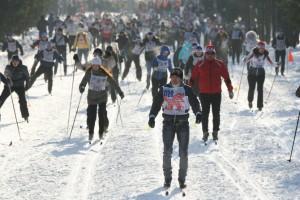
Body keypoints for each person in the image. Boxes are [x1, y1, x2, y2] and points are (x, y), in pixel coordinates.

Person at [148, 67, 202, 190]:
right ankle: (167, 178)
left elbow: (194, 102)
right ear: (170, 77)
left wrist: (198, 113)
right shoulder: (164, 89)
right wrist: (152, 116)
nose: (175, 78)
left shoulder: (187, 89)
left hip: (183, 123)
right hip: (168, 123)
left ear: (181, 78)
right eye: (173, 76)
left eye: (177, 76)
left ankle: (182, 179)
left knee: (183, 152)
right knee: (167, 151)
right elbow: (156, 103)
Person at [189, 45, 234, 142]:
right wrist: (188, 89)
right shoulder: (200, 64)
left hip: (216, 93)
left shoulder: (220, 64)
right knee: (205, 113)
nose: (210, 55)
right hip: (204, 93)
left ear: (215, 54)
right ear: (205, 54)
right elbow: (193, 78)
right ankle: (205, 132)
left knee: (216, 113)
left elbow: (226, 78)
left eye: (212, 54)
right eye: (208, 54)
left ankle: (215, 132)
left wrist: (230, 90)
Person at [79, 57, 124, 142]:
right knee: (92, 116)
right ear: (92, 65)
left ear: (99, 65)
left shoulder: (103, 72)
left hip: (102, 96)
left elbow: (113, 82)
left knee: (101, 114)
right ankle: (91, 133)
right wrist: (81, 87)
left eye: (97, 65)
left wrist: (120, 92)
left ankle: (101, 132)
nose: (95, 67)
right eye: (94, 65)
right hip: (92, 97)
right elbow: (83, 82)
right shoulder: (89, 72)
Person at [243, 41, 279, 111]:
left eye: (263, 48)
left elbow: (271, 63)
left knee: (260, 89)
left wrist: (277, 64)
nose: (261, 49)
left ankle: (260, 106)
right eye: (260, 48)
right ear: (258, 48)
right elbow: (246, 59)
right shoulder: (253, 53)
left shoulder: (265, 55)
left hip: (261, 73)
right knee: (251, 88)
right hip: (252, 73)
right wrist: (244, 60)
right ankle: (250, 101)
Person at [0, 55, 30, 122]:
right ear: (11, 61)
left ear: (19, 62)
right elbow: (5, 75)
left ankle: (25, 115)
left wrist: (27, 85)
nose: (15, 62)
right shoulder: (8, 67)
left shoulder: (24, 68)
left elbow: (27, 77)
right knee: (1, 98)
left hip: (20, 86)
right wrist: (7, 80)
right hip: (10, 85)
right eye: (13, 61)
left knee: (22, 100)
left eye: (16, 61)